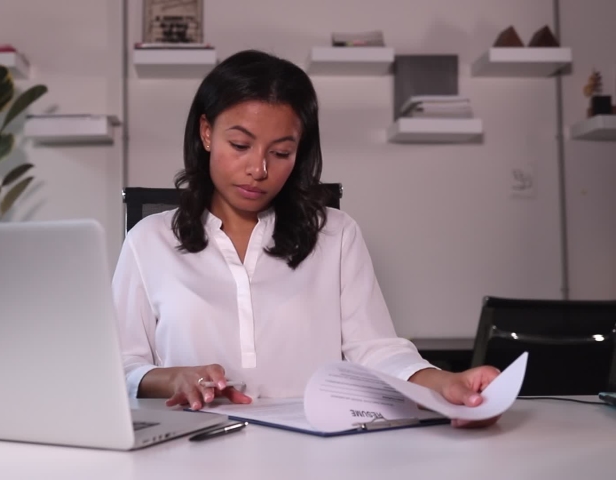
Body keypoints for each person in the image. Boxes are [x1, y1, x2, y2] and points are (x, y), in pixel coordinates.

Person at [112, 50, 500, 428]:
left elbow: (374, 349)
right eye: (241, 146)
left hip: (315, 452)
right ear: (207, 132)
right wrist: (170, 378)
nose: (259, 169)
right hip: (190, 449)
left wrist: (443, 383)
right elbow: (120, 363)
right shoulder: (149, 240)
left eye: (281, 152)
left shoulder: (335, 234)